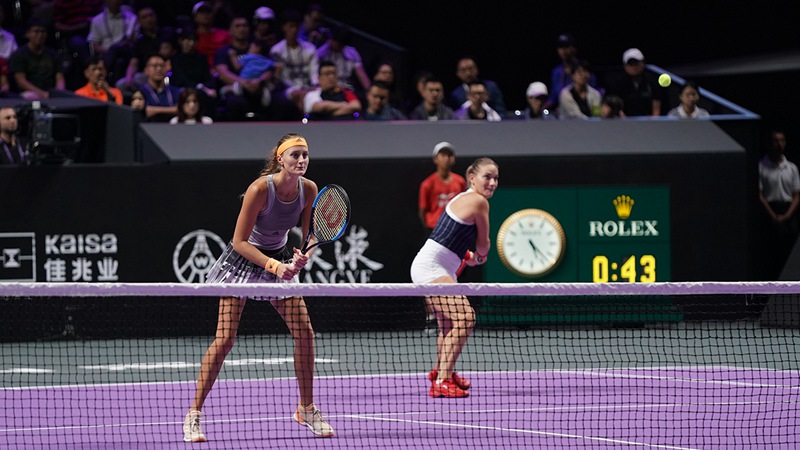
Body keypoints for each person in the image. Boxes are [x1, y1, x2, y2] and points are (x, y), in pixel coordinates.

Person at [183, 133, 334, 442]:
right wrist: (274, 266)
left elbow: (310, 235)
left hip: (279, 256)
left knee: (305, 333)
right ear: (280, 159)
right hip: (243, 261)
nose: (301, 160)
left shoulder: (309, 189)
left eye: (305, 155)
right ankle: (194, 414)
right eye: (295, 155)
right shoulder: (259, 190)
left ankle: (306, 408)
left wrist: (304, 255)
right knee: (225, 339)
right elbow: (239, 242)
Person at [410, 157, 499, 398]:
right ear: (472, 178)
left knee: (448, 325)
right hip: (431, 268)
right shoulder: (479, 201)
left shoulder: (461, 198)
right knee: (465, 318)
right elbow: (484, 243)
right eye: (487, 177)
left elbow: (448, 239)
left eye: (495, 178)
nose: (492, 183)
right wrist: (480, 257)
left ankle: (442, 370)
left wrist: (467, 256)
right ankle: (442, 380)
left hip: (436, 266)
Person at [758, 130, 800, 280]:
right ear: (770, 143)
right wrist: (773, 216)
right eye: (776, 141)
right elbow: (760, 195)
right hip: (770, 212)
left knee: (789, 253)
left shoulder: (792, 168)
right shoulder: (761, 166)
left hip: (788, 213)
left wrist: (786, 216)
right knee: (770, 254)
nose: (779, 144)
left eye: (782, 140)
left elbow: (796, 196)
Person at [269, 9, 318, 114]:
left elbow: (314, 73)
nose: (294, 30)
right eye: (291, 26)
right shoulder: (276, 51)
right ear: (284, 28)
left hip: (309, 87)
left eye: (296, 26)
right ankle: (305, 119)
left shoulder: (310, 49)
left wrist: (314, 86)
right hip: (288, 89)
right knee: (301, 96)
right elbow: (282, 79)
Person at [8, 18, 65, 100]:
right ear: (28, 33)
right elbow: (21, 81)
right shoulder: (19, 55)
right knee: (32, 96)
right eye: (36, 31)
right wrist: (42, 94)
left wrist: (59, 93)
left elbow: (60, 78)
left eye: (43, 32)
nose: (40, 35)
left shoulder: (53, 54)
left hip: (50, 92)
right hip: (29, 92)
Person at [418, 141, 468, 234]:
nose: (446, 159)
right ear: (435, 159)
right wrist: (430, 230)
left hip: (455, 228)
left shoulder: (460, 182)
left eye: (449, 155)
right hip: (434, 229)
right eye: (443, 155)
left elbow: (464, 206)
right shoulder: (427, 184)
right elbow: (422, 211)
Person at [604, 48, 665, 117]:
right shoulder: (618, 84)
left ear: (643, 63)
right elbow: (616, 106)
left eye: (636, 63)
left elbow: (656, 109)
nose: (634, 66)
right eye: (631, 63)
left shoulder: (652, 81)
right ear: (625, 66)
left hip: (648, 120)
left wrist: (653, 121)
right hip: (625, 121)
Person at [315, 24, 370, 96]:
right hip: (323, 86)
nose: (336, 45)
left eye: (340, 44)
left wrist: (370, 92)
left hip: (344, 89)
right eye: (335, 42)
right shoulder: (323, 51)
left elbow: (362, 76)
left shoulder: (352, 53)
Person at [548, 33, 597, 111]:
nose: (563, 50)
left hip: (584, 110)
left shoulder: (584, 69)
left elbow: (592, 93)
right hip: (562, 112)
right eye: (560, 47)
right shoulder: (556, 72)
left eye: (566, 46)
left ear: (574, 48)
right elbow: (553, 97)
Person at [139, 53, 181, 122]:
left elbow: (181, 110)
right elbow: (144, 111)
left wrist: (154, 110)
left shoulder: (175, 91)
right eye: (154, 66)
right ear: (146, 70)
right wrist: (172, 110)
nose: (159, 69)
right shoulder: (140, 91)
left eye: (162, 66)